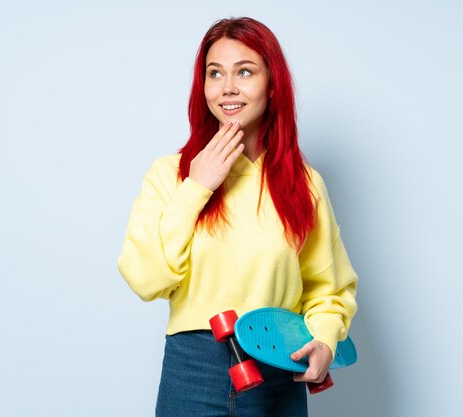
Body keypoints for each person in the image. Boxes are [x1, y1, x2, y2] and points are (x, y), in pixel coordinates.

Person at [117, 16, 358, 417]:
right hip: (193, 366)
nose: (228, 87)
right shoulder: (170, 174)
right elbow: (145, 279)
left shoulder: (304, 183)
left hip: (280, 363)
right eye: (215, 74)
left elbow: (328, 289)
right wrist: (197, 187)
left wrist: (325, 341)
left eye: (244, 71)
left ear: (272, 84)